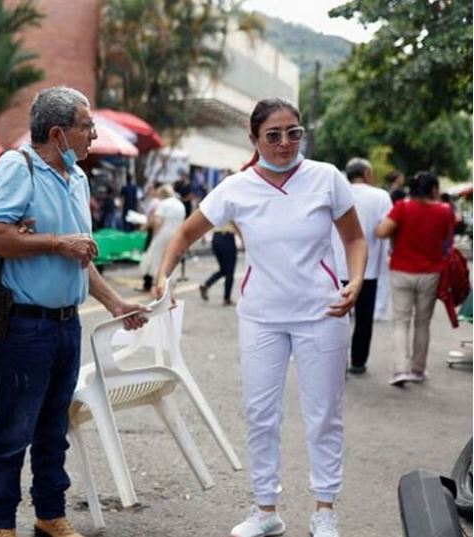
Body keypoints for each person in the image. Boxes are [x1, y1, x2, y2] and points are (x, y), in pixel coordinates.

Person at [154, 97, 366, 537]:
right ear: (253, 139)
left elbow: (354, 239)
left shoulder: (326, 178)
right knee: (260, 413)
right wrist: (163, 276)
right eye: (273, 135)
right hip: (261, 317)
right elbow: (186, 233)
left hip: (323, 311)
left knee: (324, 414)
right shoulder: (236, 188)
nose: (285, 143)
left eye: (293, 133)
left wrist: (357, 281)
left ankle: (324, 511)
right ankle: (265, 509)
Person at [0, 86, 148, 537]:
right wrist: (56, 242)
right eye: (86, 127)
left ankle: (49, 515)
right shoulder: (18, 167)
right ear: (57, 133)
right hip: (24, 326)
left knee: (54, 429)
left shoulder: (77, 178)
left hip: (67, 324)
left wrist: (115, 302)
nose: (93, 135)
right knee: (14, 430)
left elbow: (80, 257)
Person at [375, 171, 455, 387]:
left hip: (401, 270)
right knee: (422, 322)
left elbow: (381, 231)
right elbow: (448, 238)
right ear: (434, 189)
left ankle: (399, 370)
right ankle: (418, 369)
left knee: (400, 322)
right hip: (431, 273)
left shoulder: (402, 207)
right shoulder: (445, 211)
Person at [331, 158, 392, 375]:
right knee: (364, 320)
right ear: (366, 173)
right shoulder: (380, 196)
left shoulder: (336, 192)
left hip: (336, 268)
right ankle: (358, 361)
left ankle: (337, 364)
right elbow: (387, 228)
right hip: (367, 269)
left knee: (336, 318)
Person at [138, 184, 186, 292]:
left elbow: (158, 221)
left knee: (156, 259)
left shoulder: (163, 204)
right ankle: (171, 285)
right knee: (172, 260)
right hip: (176, 236)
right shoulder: (180, 204)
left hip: (163, 234)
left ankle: (158, 284)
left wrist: (155, 236)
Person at [198, 218, 239, 306]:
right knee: (229, 272)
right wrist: (243, 239)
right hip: (227, 239)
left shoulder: (218, 211)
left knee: (224, 269)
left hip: (216, 239)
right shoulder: (232, 210)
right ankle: (227, 298)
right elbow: (236, 223)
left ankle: (206, 285)